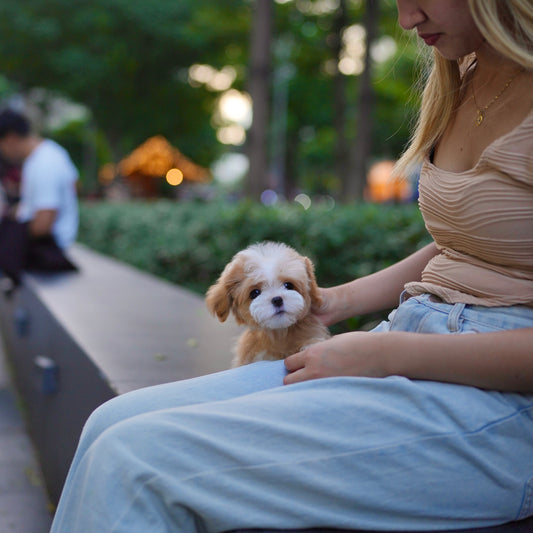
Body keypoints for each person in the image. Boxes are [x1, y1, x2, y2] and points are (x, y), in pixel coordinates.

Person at [50, 1, 533, 531]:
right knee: (110, 422)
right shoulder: (466, 72)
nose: (406, 18)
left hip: (500, 401)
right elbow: (468, 244)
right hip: (414, 334)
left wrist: (389, 352)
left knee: (133, 461)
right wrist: (338, 299)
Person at [0, 109, 79, 251]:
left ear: (10, 139)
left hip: (46, 257)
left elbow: (43, 223)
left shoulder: (45, 163)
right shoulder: (48, 154)